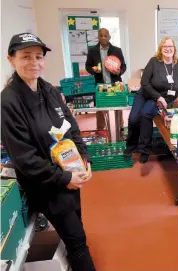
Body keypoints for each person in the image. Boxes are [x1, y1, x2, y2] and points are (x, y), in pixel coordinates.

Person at [1, 33, 96, 271]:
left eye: (38, 56)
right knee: (77, 241)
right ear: (11, 59)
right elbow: (25, 160)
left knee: (77, 227)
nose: (34, 62)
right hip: (46, 184)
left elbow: (71, 126)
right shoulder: (8, 102)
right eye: (25, 56)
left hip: (69, 172)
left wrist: (84, 159)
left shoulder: (48, 89)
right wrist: (64, 178)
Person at [124, 37, 178, 164]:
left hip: (162, 99)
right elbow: (144, 82)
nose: (168, 48)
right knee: (133, 118)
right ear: (161, 49)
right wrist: (158, 97)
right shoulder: (154, 62)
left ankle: (144, 149)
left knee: (145, 114)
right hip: (146, 94)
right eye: (165, 46)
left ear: (174, 49)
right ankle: (131, 146)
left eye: (171, 46)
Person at [85, 28, 126, 131]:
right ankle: (100, 130)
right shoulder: (92, 51)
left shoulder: (117, 50)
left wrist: (119, 72)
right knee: (100, 109)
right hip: (100, 84)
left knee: (118, 107)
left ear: (109, 37)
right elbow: (88, 66)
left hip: (115, 84)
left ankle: (120, 128)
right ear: (98, 37)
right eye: (101, 35)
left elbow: (124, 66)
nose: (103, 37)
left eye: (105, 35)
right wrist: (93, 70)